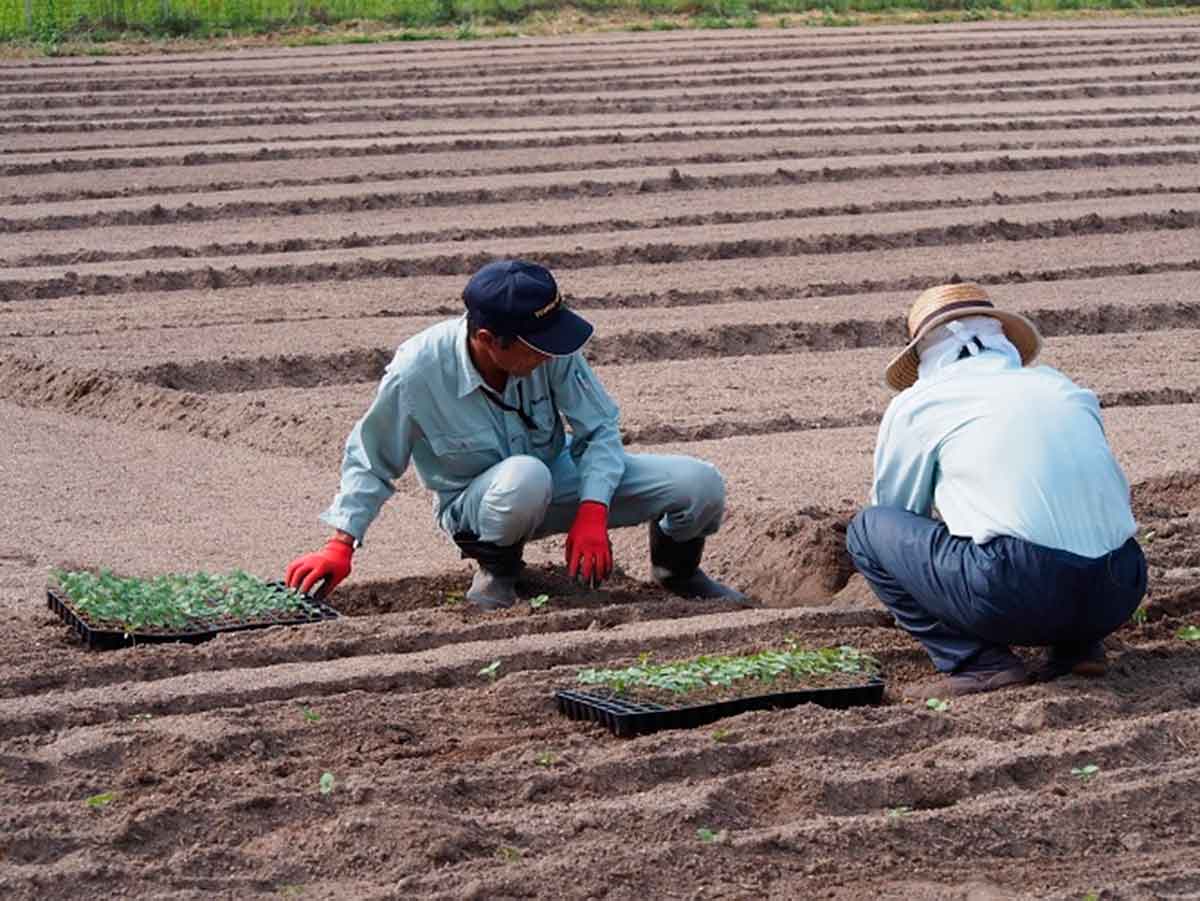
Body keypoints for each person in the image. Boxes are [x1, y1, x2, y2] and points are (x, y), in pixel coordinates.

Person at [285, 259, 746, 609]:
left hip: (554, 475)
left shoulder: (551, 348)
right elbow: (372, 459)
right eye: (537, 347)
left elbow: (598, 428)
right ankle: (497, 573)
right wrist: (339, 545)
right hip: (478, 503)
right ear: (488, 339)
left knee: (698, 483)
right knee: (524, 476)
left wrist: (592, 508)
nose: (551, 354)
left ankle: (677, 573)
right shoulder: (417, 371)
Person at [846, 283, 1147, 698]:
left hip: (1019, 588)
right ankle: (1078, 647)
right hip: (1120, 585)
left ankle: (978, 662)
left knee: (867, 530)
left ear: (923, 355)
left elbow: (896, 511)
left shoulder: (920, 402)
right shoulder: (1061, 386)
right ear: (1003, 340)